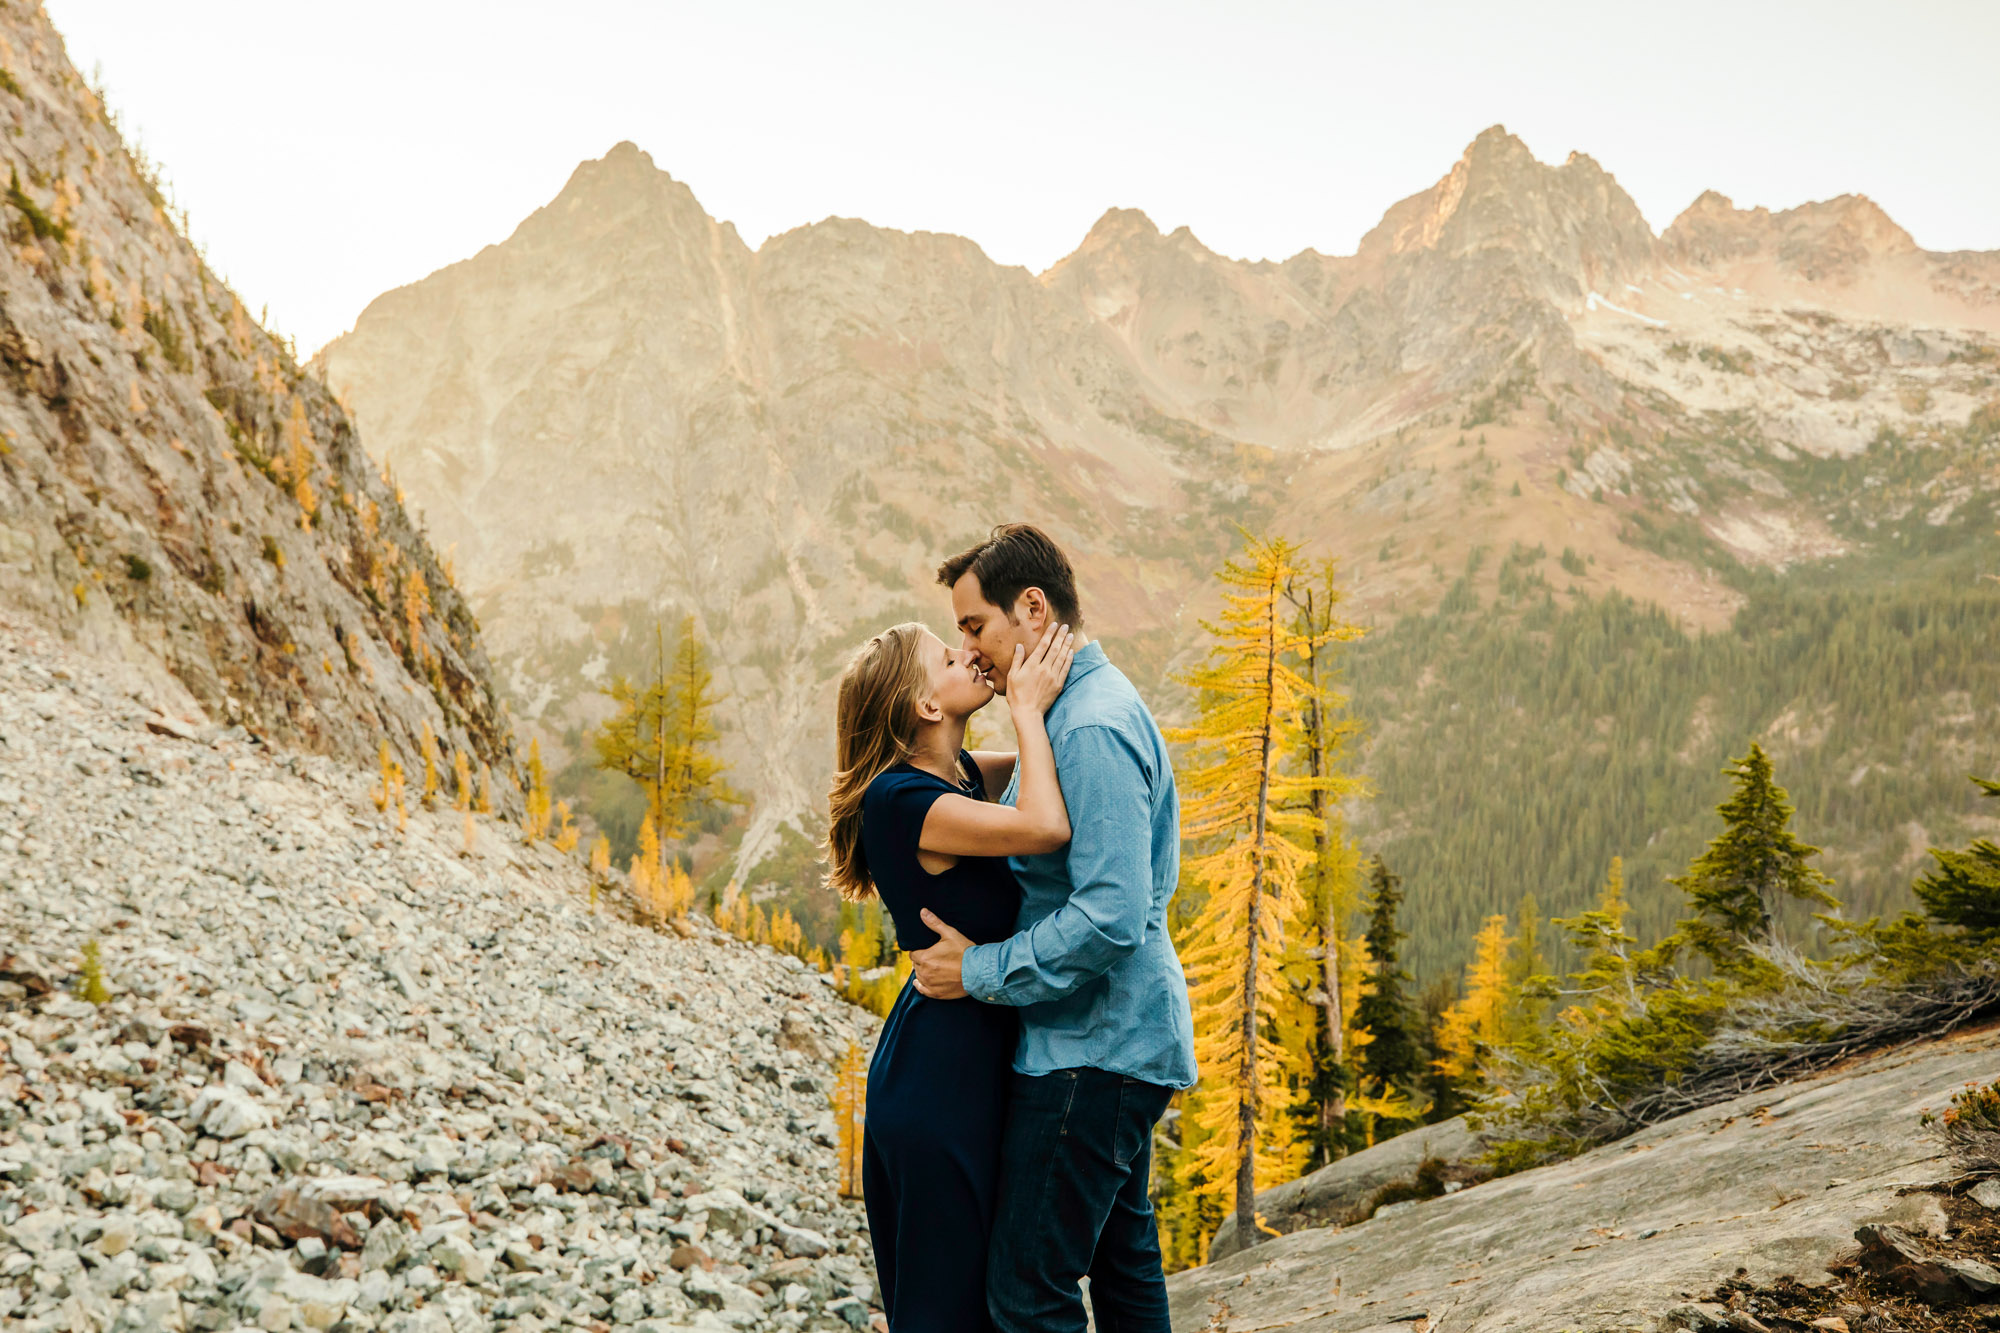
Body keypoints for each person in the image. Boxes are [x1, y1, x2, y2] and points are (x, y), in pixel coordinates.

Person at [910, 523, 1196, 1333]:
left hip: (1089, 1052)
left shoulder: (1090, 727)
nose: (971, 651)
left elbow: (1107, 917)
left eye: (976, 626)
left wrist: (980, 970)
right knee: (1123, 1256)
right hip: (1113, 1041)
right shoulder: (1074, 712)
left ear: (1031, 609)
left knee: (1027, 1291)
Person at [825, 617, 1077, 1333]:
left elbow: (1041, 766)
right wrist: (1024, 706)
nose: (968, 653)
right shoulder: (901, 802)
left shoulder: (956, 776)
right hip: (940, 1080)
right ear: (926, 705)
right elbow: (1044, 824)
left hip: (963, 1053)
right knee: (945, 1312)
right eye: (948, 654)